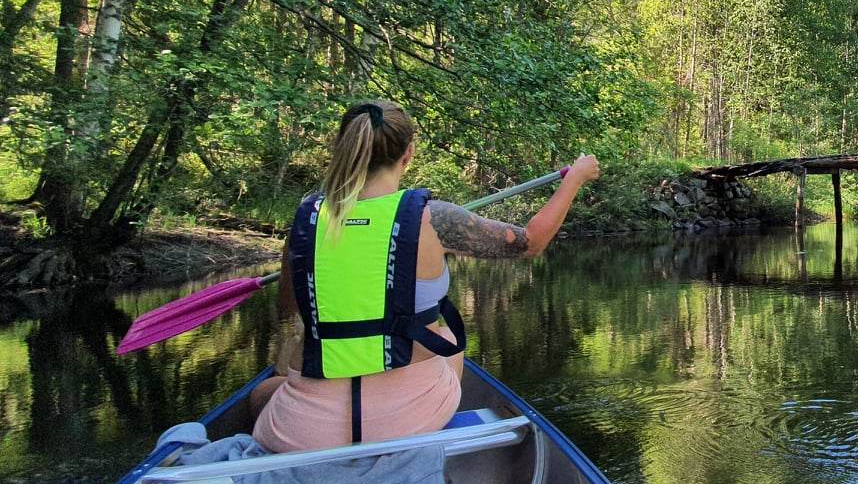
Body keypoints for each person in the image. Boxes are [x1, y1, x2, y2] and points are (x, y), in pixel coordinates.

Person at [250, 99, 599, 452]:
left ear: (342, 147)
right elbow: (530, 243)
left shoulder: (307, 221)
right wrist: (576, 179)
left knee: (262, 393)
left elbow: (289, 311)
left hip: (305, 433)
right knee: (444, 334)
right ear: (409, 154)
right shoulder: (434, 219)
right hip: (407, 421)